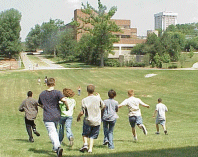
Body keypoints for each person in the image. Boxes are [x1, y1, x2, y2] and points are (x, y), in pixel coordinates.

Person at [38, 78, 69, 157]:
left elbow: (40, 104)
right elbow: (64, 100)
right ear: (54, 84)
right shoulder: (57, 92)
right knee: (54, 131)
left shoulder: (42, 94)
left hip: (47, 116)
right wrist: (67, 107)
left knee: (52, 132)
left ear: (46, 84)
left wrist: (45, 107)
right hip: (56, 115)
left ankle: (58, 147)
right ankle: (55, 147)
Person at [77, 84, 105, 153]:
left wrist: (78, 117)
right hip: (97, 120)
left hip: (88, 120)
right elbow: (103, 106)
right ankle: (90, 149)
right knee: (92, 136)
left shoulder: (84, 100)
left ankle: (85, 144)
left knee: (85, 134)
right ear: (94, 90)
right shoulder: (98, 98)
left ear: (87, 91)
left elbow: (82, 112)